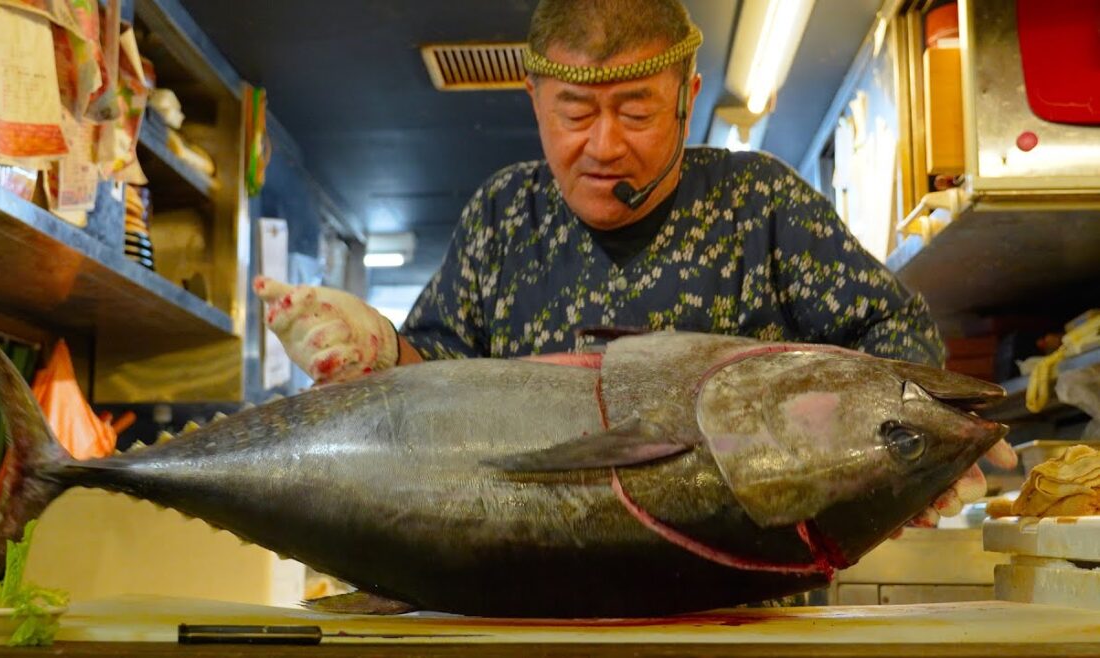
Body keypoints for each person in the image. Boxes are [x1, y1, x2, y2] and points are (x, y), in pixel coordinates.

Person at [254, 0, 1015, 529]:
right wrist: (379, 351)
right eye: (576, 114)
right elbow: (440, 380)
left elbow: (889, 327)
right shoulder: (501, 215)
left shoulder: (761, 205)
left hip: (744, 599)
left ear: (687, 95)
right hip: (526, 586)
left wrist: (912, 446)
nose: (606, 146)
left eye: (639, 112)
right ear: (534, 99)